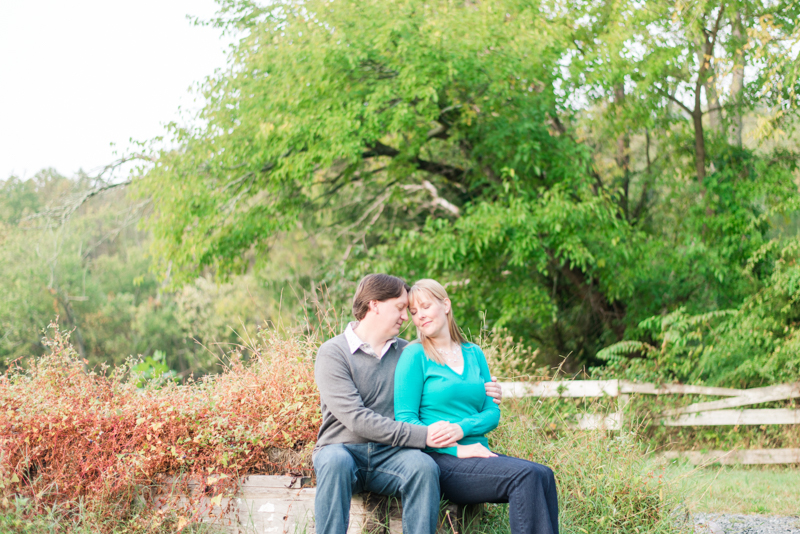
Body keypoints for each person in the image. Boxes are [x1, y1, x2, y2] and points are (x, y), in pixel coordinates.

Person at [313, 274, 503, 534]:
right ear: (375, 305)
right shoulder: (333, 352)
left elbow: (452, 381)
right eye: (401, 308)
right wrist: (424, 436)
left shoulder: (408, 352)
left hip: (390, 454)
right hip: (343, 450)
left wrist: (487, 389)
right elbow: (357, 419)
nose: (407, 317)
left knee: (423, 467)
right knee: (334, 462)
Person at [394, 279, 559, 534]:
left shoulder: (474, 353)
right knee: (524, 476)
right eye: (414, 312)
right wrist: (455, 446)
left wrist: (462, 428)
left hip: (478, 453)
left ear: (446, 305)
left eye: (426, 306)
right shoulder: (415, 355)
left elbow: (492, 413)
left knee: (544, 475)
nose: (420, 316)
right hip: (441, 460)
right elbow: (405, 420)